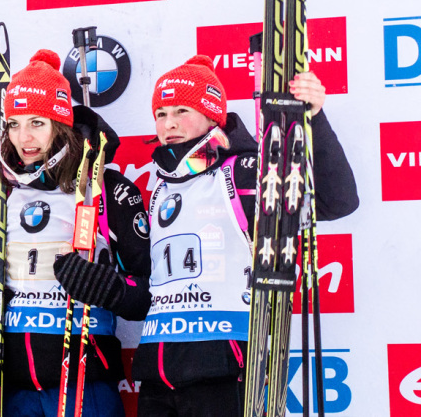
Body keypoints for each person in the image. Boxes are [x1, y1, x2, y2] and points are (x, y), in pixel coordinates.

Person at [133, 55, 358, 417]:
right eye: (161, 113)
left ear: (212, 116)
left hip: (224, 373)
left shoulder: (243, 172)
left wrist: (313, 117)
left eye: (181, 111)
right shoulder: (160, 183)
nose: (169, 124)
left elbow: (338, 201)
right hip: (159, 378)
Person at [0, 50, 152, 417]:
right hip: (13, 388)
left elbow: (152, 295)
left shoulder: (105, 188)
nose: (24, 137)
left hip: (85, 386)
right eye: (13, 124)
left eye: (37, 122)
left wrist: (110, 288)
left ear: (60, 124)